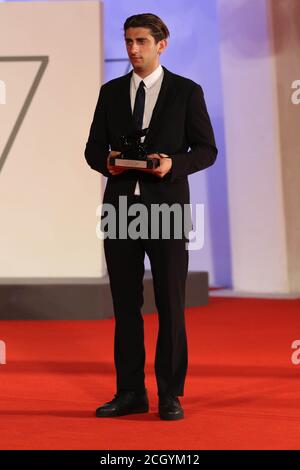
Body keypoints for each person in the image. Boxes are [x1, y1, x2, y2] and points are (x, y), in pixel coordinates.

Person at [85, 13, 217, 420]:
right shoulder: (109, 93)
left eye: (141, 41)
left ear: (162, 44)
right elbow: (92, 150)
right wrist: (109, 161)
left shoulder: (186, 92)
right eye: (128, 41)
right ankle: (130, 392)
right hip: (122, 209)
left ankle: (170, 394)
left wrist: (171, 164)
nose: (133, 49)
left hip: (168, 210)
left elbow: (206, 150)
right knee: (125, 306)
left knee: (171, 304)